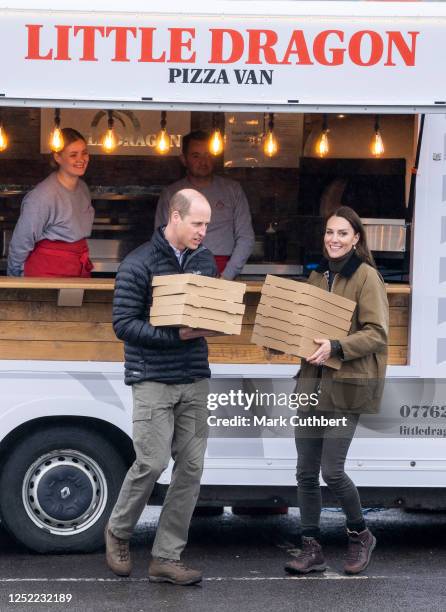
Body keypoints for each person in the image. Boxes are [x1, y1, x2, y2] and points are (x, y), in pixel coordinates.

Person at [105, 188, 220, 586]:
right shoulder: (138, 263)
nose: (204, 232)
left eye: (207, 225)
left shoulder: (205, 262)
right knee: (151, 463)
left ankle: (166, 558)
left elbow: (208, 316)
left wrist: (215, 322)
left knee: (190, 468)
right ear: (175, 217)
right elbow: (123, 324)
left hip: (194, 377)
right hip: (152, 377)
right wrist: (177, 336)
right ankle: (118, 531)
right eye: (197, 223)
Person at [283, 206, 389, 576]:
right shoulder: (317, 277)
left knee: (332, 471)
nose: (334, 239)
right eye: (330, 232)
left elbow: (377, 333)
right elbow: (305, 331)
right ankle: (312, 549)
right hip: (312, 384)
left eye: (343, 233)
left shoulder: (367, 277)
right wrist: (280, 339)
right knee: (305, 472)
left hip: (347, 385)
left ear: (356, 238)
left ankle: (361, 534)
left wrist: (337, 346)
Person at [155, 130, 255, 279]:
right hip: (183, 269)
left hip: (223, 268)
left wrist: (227, 275)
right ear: (184, 159)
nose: (203, 161)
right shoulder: (171, 194)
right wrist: (175, 276)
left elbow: (246, 237)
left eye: (208, 154)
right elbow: (163, 240)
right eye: (196, 156)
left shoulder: (232, 190)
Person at [7, 128, 94, 277]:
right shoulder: (42, 196)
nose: (81, 159)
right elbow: (21, 242)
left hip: (76, 267)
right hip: (47, 271)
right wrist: (15, 281)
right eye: (73, 155)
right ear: (58, 157)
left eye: (84, 153)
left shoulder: (83, 188)